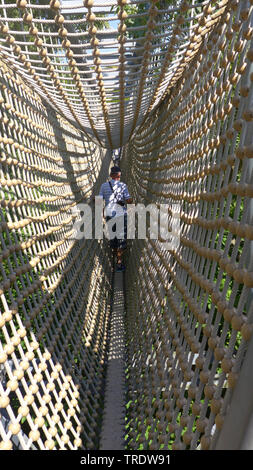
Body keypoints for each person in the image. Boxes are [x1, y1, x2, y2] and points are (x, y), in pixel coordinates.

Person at [99, 166, 132, 271]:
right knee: (121, 239)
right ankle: (119, 262)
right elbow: (129, 200)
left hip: (109, 215)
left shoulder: (104, 186)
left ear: (110, 175)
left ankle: (113, 259)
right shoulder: (123, 186)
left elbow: (99, 200)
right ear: (119, 175)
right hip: (121, 215)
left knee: (113, 238)